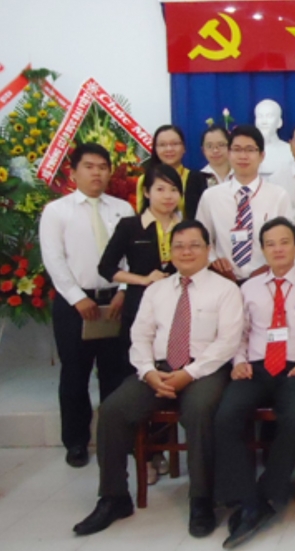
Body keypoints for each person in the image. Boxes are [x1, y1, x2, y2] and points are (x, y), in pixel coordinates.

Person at [73, 220, 243, 538]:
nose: (186, 252)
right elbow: (140, 336)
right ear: (170, 252)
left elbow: (228, 343)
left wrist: (188, 374)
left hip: (204, 370)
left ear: (208, 250)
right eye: (179, 246)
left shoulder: (226, 290)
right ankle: (113, 497)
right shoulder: (156, 290)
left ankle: (202, 500)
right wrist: (148, 371)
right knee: (112, 410)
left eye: (194, 245)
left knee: (200, 411)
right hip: (157, 370)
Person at [213, 217, 295, 547]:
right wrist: (239, 362)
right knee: (225, 417)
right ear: (262, 249)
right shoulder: (248, 288)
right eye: (270, 244)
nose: (278, 249)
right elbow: (238, 333)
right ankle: (247, 497)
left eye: (285, 242)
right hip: (255, 367)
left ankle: (265, 495)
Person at [40, 143, 133, 468]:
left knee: (116, 372)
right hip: (75, 304)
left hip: (116, 300)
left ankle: (116, 437)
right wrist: (77, 297)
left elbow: (131, 255)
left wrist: (124, 289)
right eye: (89, 166)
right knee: (75, 374)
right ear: (74, 171)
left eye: (103, 167)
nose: (97, 173)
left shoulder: (123, 208)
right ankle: (76, 441)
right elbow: (54, 259)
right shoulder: (57, 211)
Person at [98, 163, 183, 484]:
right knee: (141, 380)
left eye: (173, 189)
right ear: (146, 192)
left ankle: (161, 449)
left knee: (168, 381)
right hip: (140, 312)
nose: (167, 196)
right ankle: (144, 455)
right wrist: (142, 280)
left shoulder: (186, 227)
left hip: (178, 314)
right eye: (160, 189)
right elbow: (107, 267)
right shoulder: (131, 226)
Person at [195, 125, 292, 282]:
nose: (243, 156)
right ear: (229, 154)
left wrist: (271, 268)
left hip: (267, 279)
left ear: (262, 156)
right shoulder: (211, 197)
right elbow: (200, 239)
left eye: (250, 150)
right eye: (237, 149)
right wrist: (213, 261)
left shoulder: (278, 196)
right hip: (222, 279)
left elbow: (288, 242)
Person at [135, 124, 208, 219]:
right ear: (155, 149)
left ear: (184, 148)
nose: (169, 149)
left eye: (175, 144)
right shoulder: (145, 179)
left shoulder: (197, 179)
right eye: (162, 145)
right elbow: (142, 215)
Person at [254, 99, 294, 177]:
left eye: (269, 116)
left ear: (279, 122)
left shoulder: (290, 151)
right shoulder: (246, 151)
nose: (264, 122)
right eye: (260, 116)